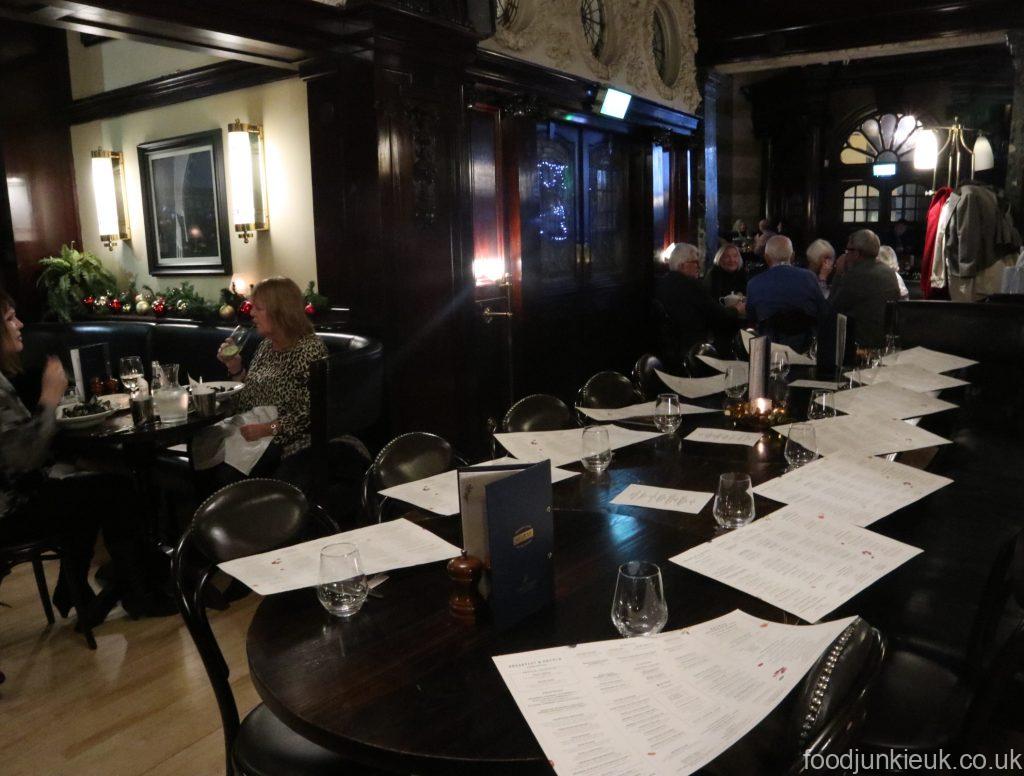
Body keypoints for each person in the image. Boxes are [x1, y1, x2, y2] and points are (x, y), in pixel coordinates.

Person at [0, 290, 168, 624]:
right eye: (9, 319)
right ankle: (138, 594)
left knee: (95, 484)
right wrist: (49, 398)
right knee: (115, 489)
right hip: (12, 510)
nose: (19, 324)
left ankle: (76, 589)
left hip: (17, 498)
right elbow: (24, 457)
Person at [209, 277, 328, 484]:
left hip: (290, 441)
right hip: (255, 431)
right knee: (206, 453)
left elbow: (309, 413)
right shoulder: (266, 345)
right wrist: (235, 367)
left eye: (258, 308)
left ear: (280, 311)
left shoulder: (309, 349)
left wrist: (267, 429)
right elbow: (248, 399)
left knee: (225, 474)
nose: (252, 313)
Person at [655, 243, 745, 361]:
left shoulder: (661, 283)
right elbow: (718, 315)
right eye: (695, 262)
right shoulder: (691, 285)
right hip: (694, 349)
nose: (699, 266)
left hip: (666, 349)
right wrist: (736, 309)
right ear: (682, 265)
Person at [745, 235, 830, 350]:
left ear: (766, 258)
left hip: (770, 348)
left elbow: (751, 320)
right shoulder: (809, 277)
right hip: (806, 347)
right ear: (793, 256)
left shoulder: (753, 283)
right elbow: (823, 311)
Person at [829, 229, 900, 349]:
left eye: (848, 250)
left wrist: (839, 273)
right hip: (885, 341)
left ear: (856, 253)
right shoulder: (889, 272)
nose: (846, 255)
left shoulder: (855, 275)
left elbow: (832, 308)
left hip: (861, 344)